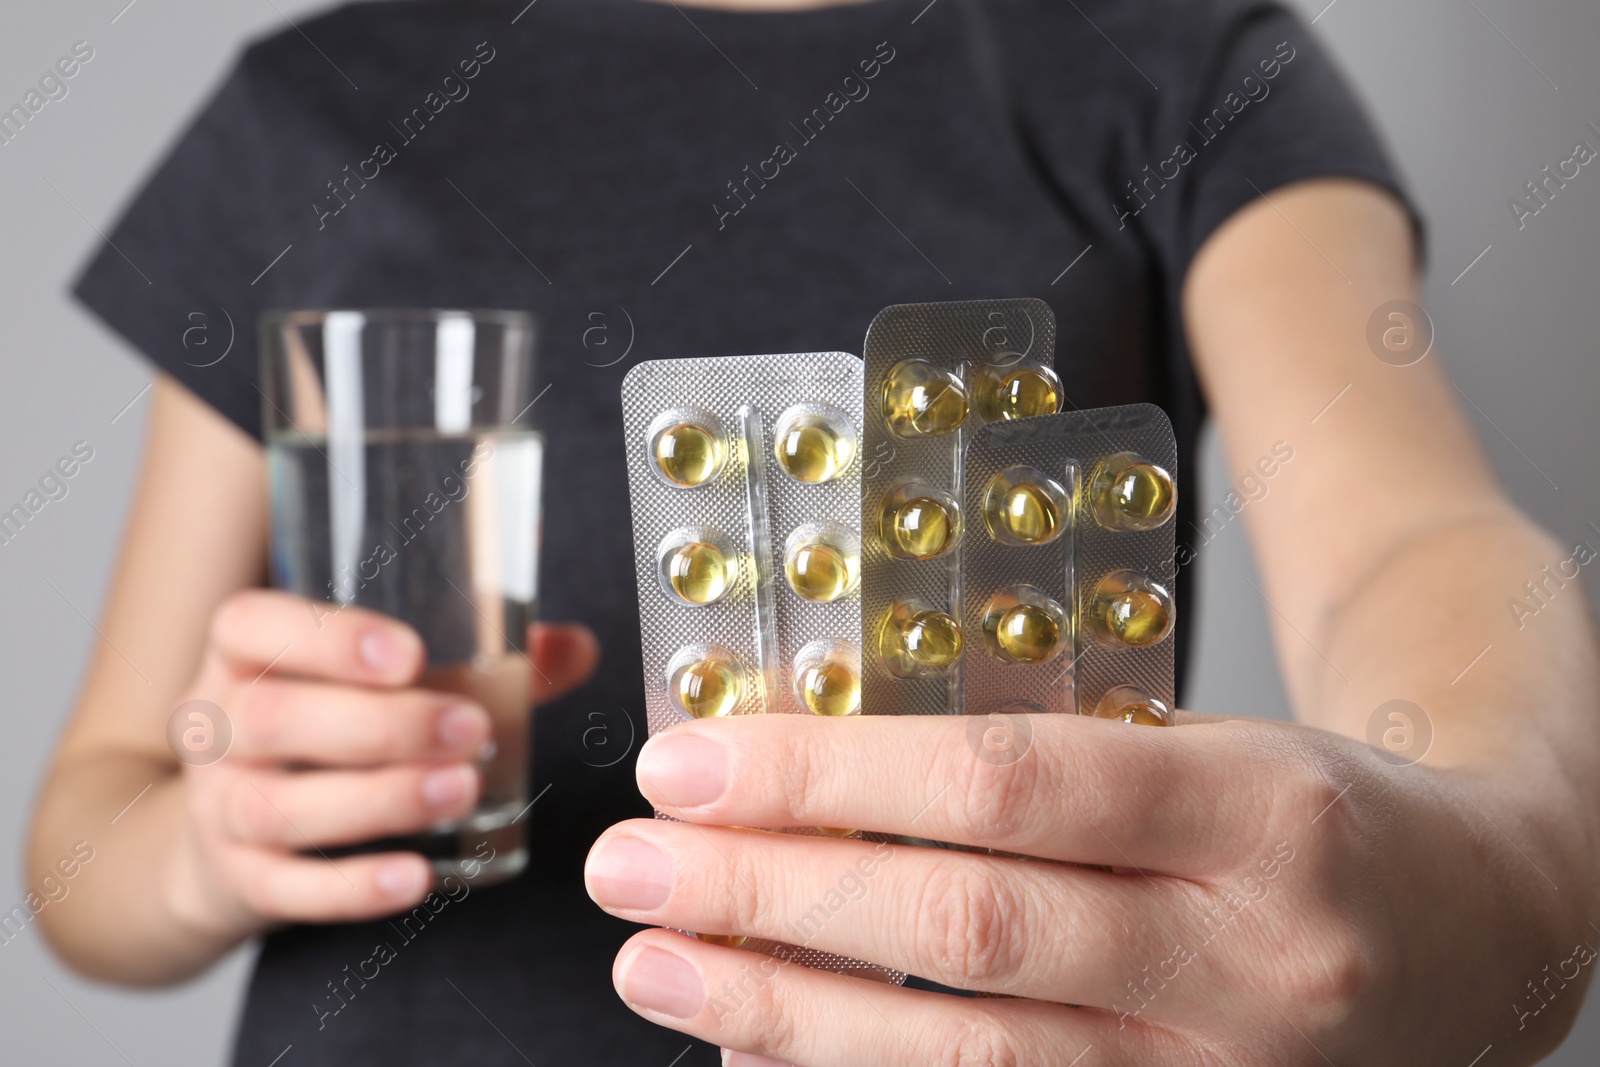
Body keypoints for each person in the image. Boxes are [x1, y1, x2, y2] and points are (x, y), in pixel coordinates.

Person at [32, 0, 1599, 1063]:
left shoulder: (1171, 53)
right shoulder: (321, 101)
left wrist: (1510, 855)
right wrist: (210, 842)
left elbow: (1413, 548)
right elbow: (83, 841)